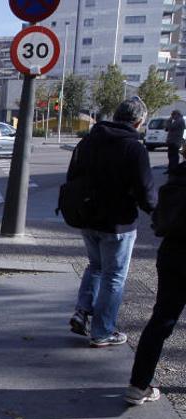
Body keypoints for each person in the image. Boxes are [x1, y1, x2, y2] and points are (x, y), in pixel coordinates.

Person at [67, 96, 156, 347]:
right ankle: (102, 331)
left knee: (94, 266)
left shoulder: (88, 141)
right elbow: (145, 190)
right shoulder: (134, 148)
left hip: (86, 218)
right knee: (114, 276)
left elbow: (72, 177)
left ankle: (82, 311)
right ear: (138, 122)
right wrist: (159, 216)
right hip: (118, 223)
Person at [126, 145, 186, 405]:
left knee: (161, 320)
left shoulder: (177, 177)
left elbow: (160, 220)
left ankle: (138, 385)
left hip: (174, 254)